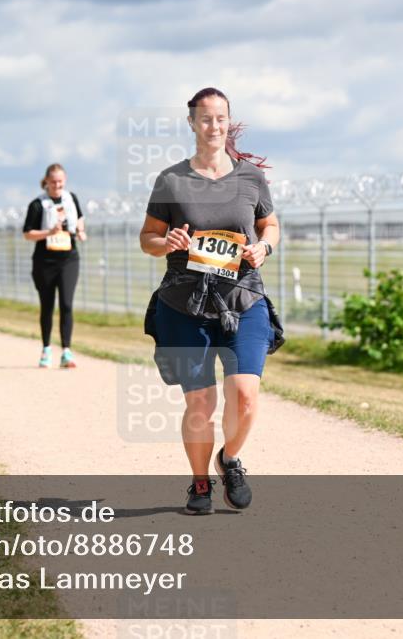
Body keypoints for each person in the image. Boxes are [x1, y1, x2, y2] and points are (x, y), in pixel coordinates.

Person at [139, 87, 283, 515]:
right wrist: (166, 242)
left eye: (220, 118)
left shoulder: (250, 178)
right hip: (185, 303)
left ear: (228, 121)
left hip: (244, 297)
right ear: (192, 124)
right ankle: (200, 483)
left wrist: (265, 248)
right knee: (200, 402)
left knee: (245, 396)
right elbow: (147, 238)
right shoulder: (172, 180)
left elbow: (269, 224)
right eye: (205, 119)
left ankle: (230, 459)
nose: (213, 126)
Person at [22, 163, 87, 369]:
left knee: (67, 304)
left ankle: (67, 351)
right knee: (47, 305)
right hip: (45, 261)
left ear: (64, 181)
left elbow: (80, 218)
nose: (57, 185)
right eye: (53, 181)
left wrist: (81, 230)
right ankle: (46, 348)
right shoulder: (37, 204)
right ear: (46, 182)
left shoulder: (71, 198)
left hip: (69, 258)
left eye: (60, 181)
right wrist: (48, 232)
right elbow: (27, 233)